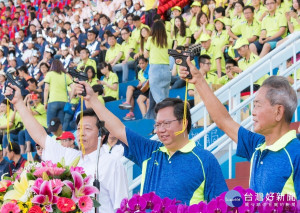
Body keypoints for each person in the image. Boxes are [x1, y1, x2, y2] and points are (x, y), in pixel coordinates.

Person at [73, 81, 228, 204]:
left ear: (184, 122)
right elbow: (118, 129)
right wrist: (92, 99)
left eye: (166, 124)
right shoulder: (150, 151)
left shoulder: (205, 160)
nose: (160, 130)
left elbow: (222, 204)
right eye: (157, 125)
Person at [179, 57, 300, 199]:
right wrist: (199, 80)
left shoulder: (296, 153)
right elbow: (223, 120)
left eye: (258, 105)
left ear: (278, 112)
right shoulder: (257, 145)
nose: (252, 112)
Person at [7, 85, 129, 212]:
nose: (81, 134)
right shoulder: (70, 157)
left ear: (102, 134)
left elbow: (123, 206)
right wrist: (19, 103)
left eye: (87, 129)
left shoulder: (111, 163)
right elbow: (41, 136)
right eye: (78, 129)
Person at [144, 21, 172, 119]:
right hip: (166, 69)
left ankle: (167, 117)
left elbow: (145, 55)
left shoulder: (151, 39)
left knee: (160, 100)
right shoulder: (168, 39)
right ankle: (152, 117)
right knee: (164, 96)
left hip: (155, 69)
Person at [43, 59, 73, 130]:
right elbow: (73, 87)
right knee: (60, 125)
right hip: (64, 102)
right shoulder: (65, 75)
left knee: (50, 124)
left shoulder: (49, 74)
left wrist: (45, 102)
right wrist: (70, 99)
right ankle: (59, 140)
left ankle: (51, 139)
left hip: (53, 101)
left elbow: (46, 89)